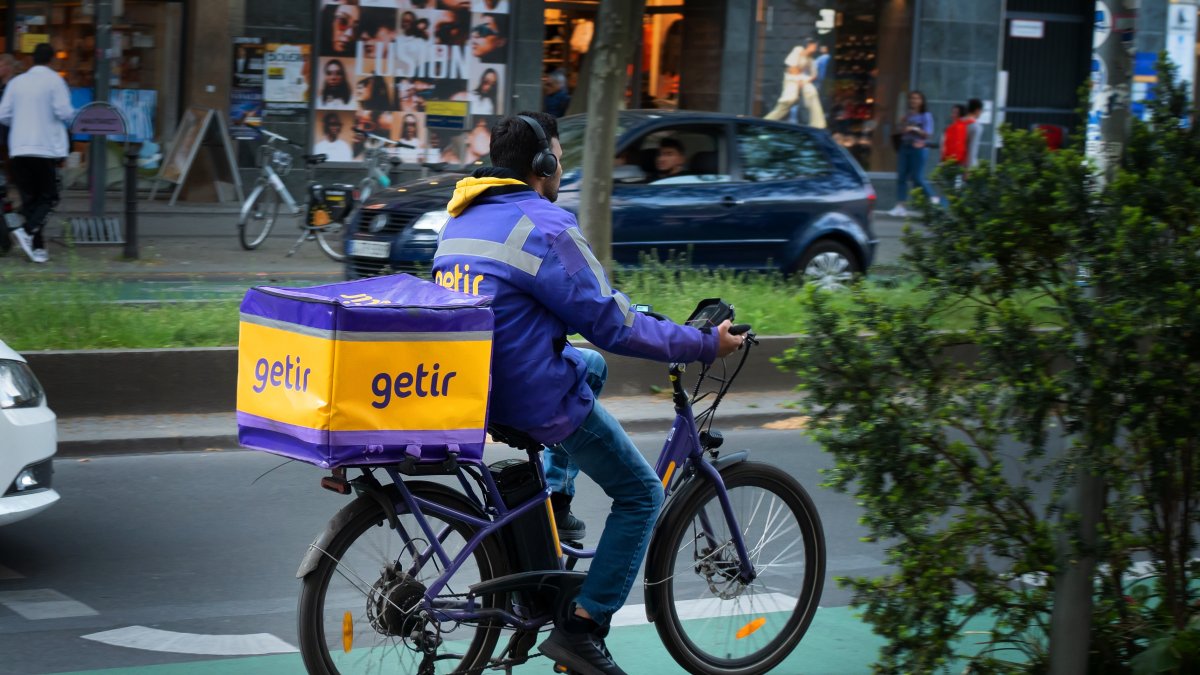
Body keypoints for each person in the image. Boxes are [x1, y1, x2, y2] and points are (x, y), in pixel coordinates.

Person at [431, 112, 743, 675]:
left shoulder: (461, 218)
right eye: (557, 157)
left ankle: (557, 500)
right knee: (642, 496)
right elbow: (611, 322)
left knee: (590, 365)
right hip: (532, 397)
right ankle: (582, 628)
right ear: (544, 164)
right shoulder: (543, 225)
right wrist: (701, 344)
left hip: (477, 387)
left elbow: (558, 313)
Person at [0, 43, 74, 264]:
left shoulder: (16, 83)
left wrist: (21, 122)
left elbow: (3, 115)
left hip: (18, 148)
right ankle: (27, 229)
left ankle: (37, 248)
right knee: (50, 196)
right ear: (52, 60)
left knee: (30, 198)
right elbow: (64, 112)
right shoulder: (55, 81)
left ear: (32, 59)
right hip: (44, 148)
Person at [887, 90, 934, 217]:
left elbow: (928, 134)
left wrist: (914, 128)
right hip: (905, 147)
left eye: (917, 98)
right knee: (901, 176)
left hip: (918, 148)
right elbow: (901, 130)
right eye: (912, 98)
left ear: (922, 101)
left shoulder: (926, 115)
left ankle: (933, 199)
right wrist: (902, 126)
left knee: (917, 177)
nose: (913, 100)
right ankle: (900, 206)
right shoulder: (908, 115)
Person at [764, 37, 825, 129]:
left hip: (802, 79)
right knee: (789, 99)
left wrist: (805, 79)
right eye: (814, 45)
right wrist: (800, 77)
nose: (815, 48)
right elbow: (791, 68)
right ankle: (767, 121)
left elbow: (814, 75)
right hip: (791, 79)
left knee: (812, 93)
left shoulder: (811, 59)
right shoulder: (798, 50)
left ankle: (818, 124)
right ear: (810, 45)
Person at [964, 98, 985, 169]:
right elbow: (972, 148)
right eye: (981, 111)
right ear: (977, 110)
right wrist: (970, 168)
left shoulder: (959, 122)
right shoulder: (976, 126)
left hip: (955, 162)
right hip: (967, 165)